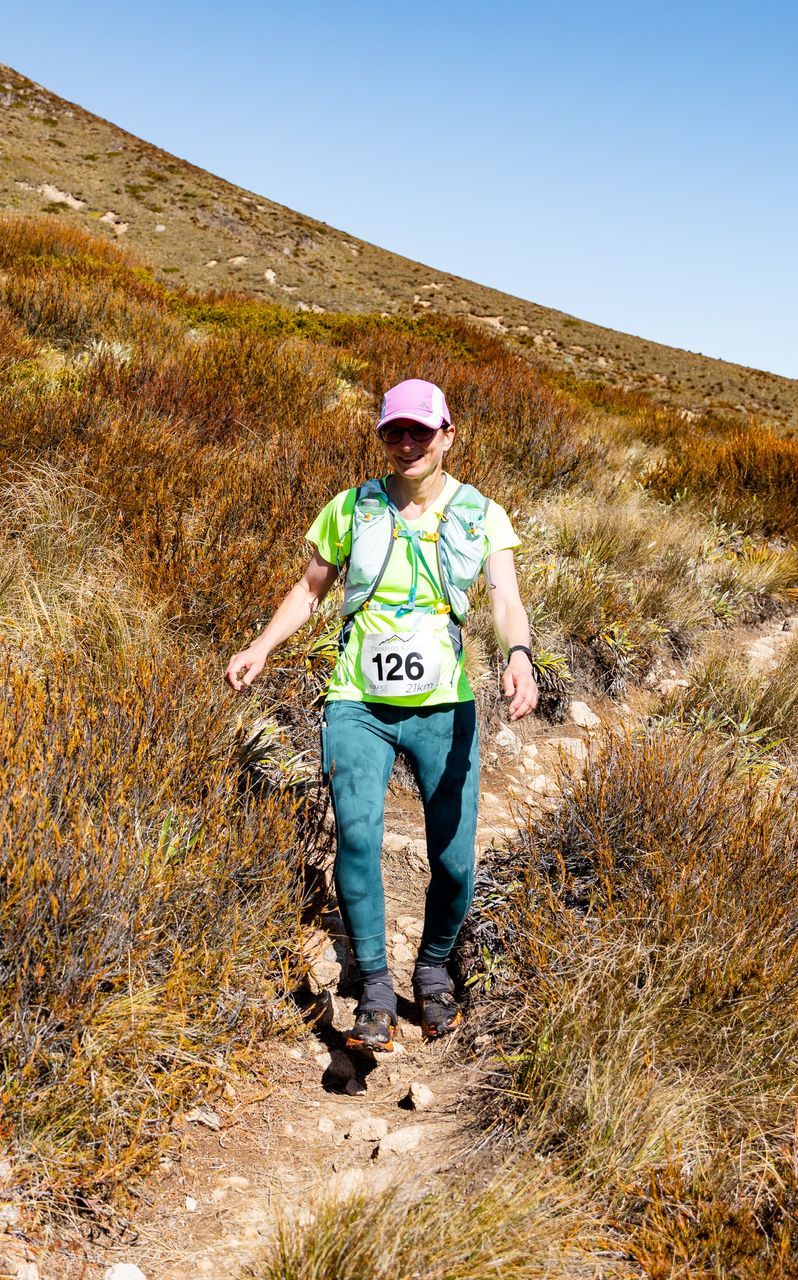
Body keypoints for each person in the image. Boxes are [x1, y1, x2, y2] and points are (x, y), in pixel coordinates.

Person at [225, 378, 538, 1051]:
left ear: (447, 435)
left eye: (419, 432)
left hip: (442, 709)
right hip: (355, 702)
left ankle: (430, 971)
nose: (405, 444)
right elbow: (309, 592)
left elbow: (508, 597)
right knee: (359, 839)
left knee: (454, 861)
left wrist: (518, 653)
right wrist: (259, 646)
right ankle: (372, 990)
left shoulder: (483, 515)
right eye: (393, 431)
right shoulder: (351, 508)